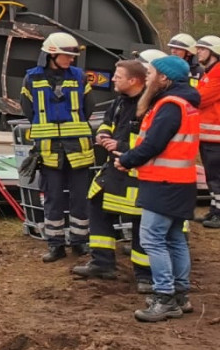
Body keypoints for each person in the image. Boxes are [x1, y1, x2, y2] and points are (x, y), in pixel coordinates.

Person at [114, 55, 201, 322]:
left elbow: (154, 143)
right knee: (174, 238)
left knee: (152, 238)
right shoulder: (183, 102)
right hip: (179, 182)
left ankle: (165, 298)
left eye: (151, 73)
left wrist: (127, 160)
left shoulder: (170, 105)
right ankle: (179, 296)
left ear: (164, 78)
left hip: (163, 183)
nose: (148, 77)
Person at [73, 59, 152, 290]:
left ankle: (145, 275)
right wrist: (103, 136)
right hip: (114, 169)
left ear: (134, 80)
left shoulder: (148, 105)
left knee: (140, 221)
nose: (114, 79)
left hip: (138, 173)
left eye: (119, 76)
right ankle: (102, 262)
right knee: (96, 204)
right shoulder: (120, 101)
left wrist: (119, 143)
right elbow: (108, 121)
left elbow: (148, 141)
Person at [23, 32, 96, 262]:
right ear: (52, 54)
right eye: (67, 55)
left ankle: (80, 241)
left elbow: (89, 108)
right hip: (49, 150)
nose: (71, 60)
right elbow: (28, 109)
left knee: (80, 197)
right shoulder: (31, 79)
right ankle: (55, 244)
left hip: (79, 148)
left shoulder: (80, 77)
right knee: (52, 197)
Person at [194, 35, 220, 228]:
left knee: (218, 174)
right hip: (208, 134)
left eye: (202, 49)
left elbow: (200, 99)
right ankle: (216, 210)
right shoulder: (210, 73)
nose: (198, 52)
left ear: (214, 52)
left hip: (216, 135)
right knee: (211, 175)